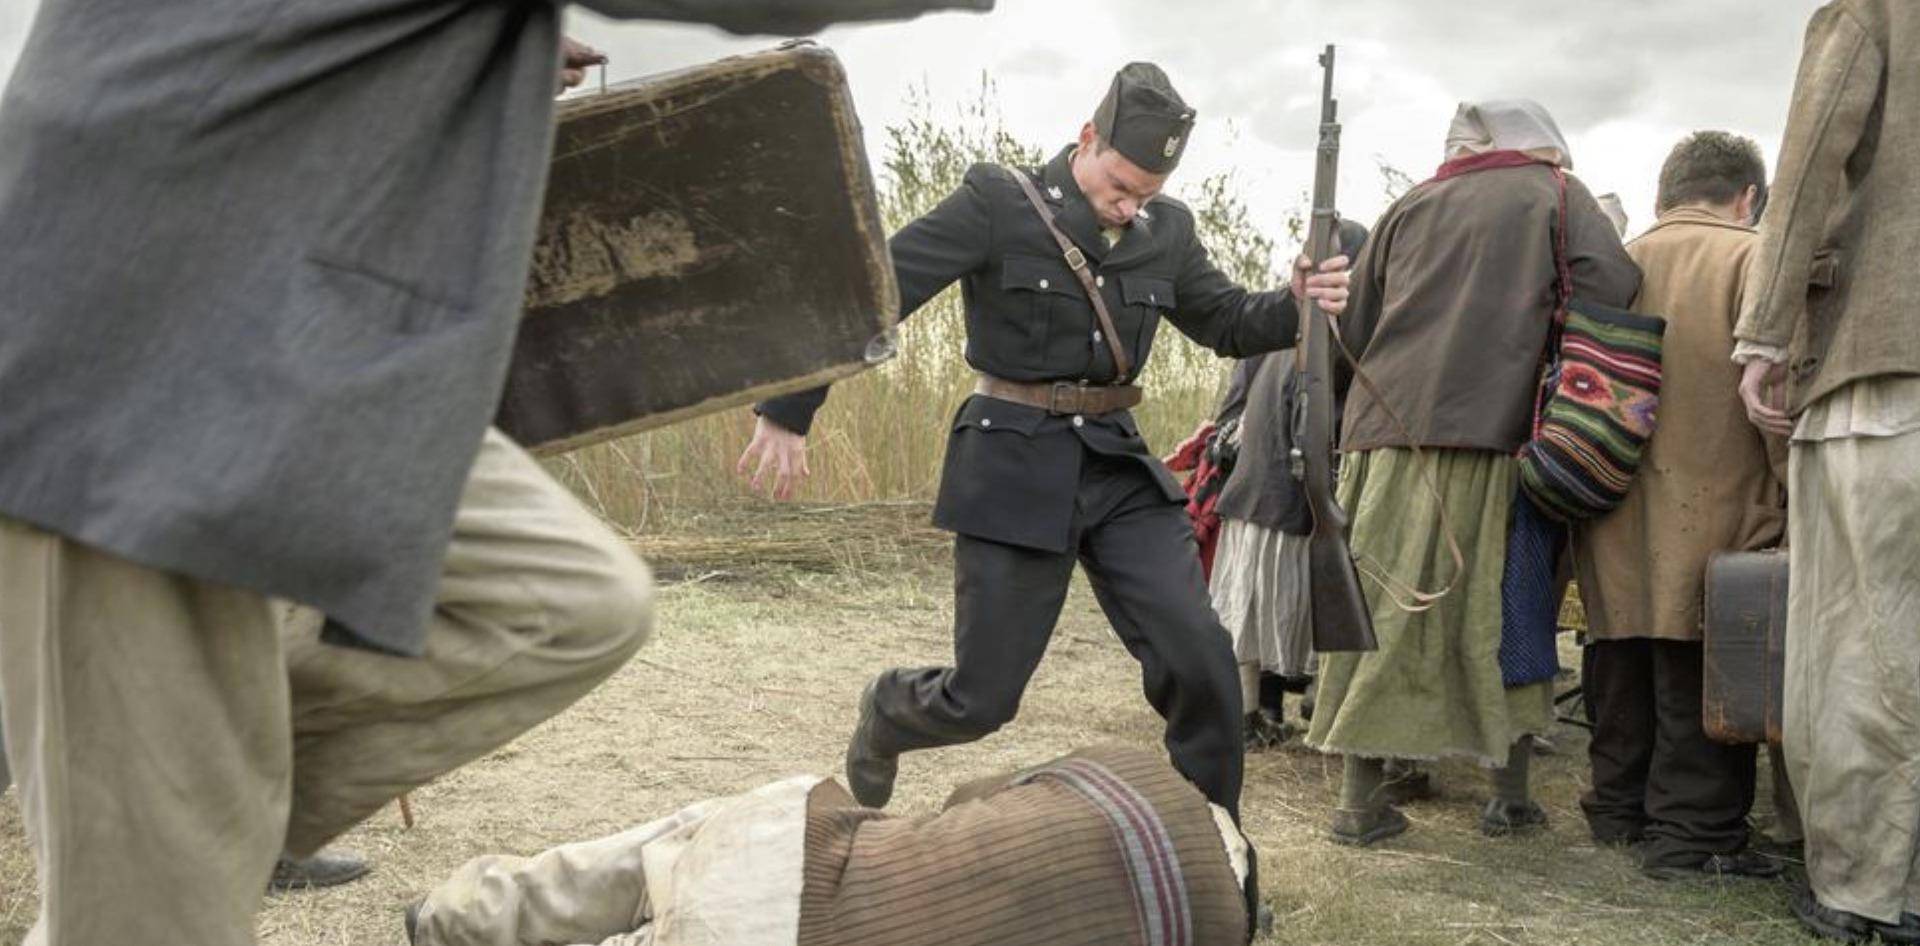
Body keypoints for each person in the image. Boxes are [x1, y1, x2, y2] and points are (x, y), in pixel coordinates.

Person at [0, 2, 988, 944]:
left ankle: (179, 824)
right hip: (144, 354)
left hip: (291, 338)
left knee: (570, 601)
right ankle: (151, 851)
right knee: (151, 917)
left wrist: (490, 58)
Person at [738, 63, 1352, 822]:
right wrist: (791, 404)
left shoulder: (1169, 231)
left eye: (1146, 196)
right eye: (1119, 186)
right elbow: (883, 286)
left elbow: (1228, 322)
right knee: (983, 699)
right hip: (1011, 463)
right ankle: (893, 710)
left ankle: (1214, 856)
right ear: (1087, 139)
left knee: (1203, 664)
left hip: (1119, 470)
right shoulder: (1000, 202)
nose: (1129, 208)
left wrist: (1295, 301)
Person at [1303, 99, 1641, 845]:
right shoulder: (1555, 195)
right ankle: (1507, 797)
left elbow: (1352, 332)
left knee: (1385, 612)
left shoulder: (1408, 204)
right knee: (1510, 612)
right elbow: (1615, 284)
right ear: (1541, 143)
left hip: (1383, 441)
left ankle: (1360, 801)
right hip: (1500, 439)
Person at [1732, 1, 1920, 939]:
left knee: (1860, 644)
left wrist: (1763, 331)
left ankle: (1865, 889)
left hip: (1884, 358)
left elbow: (1811, 154)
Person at [407, 744, 1253, 946]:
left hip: (792, 837)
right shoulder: (1204, 928)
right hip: (792, 936)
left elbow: (964, 799)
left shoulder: (1129, 765)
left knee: (635, 860)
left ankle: (455, 914)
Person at [1572, 131, 1784, 881]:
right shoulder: (1753, 257)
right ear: (1748, 196)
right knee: (1704, 656)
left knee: (1619, 648)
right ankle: (1693, 837)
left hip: (1609, 495)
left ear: (1666, 192)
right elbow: (1779, 400)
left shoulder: (1617, 258)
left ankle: (1620, 811)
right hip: (1721, 500)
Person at [1208, 219, 1369, 748]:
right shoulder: (1298, 324)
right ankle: (1252, 713)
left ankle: (1262, 710)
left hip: (1276, 487)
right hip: (1276, 486)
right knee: (1259, 608)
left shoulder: (1332, 329)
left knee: (1264, 609)